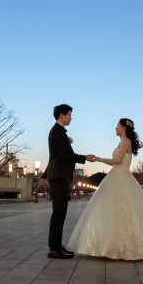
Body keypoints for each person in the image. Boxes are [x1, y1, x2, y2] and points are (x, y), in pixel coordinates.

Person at [67, 118, 143, 260]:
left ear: (124, 127)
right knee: (111, 209)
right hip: (116, 176)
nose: (115, 128)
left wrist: (100, 159)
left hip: (121, 176)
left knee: (121, 209)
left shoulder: (126, 142)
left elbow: (118, 161)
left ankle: (120, 246)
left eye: (117, 125)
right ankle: (110, 244)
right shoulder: (122, 142)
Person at [43, 104, 95, 259]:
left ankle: (57, 246)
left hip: (61, 175)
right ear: (61, 116)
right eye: (69, 115)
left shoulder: (60, 131)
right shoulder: (57, 132)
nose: (71, 118)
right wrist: (85, 157)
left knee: (61, 211)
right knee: (59, 211)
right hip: (58, 175)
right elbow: (65, 154)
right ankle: (54, 248)